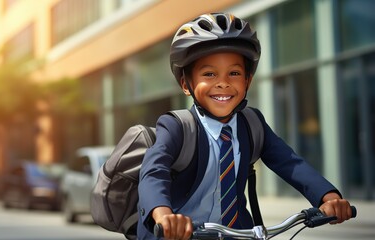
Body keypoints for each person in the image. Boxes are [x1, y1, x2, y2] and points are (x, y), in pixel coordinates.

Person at [137, 13, 352, 240]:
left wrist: (328, 197)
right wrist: (163, 216)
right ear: (185, 84)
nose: (223, 82)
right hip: (178, 234)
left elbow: (289, 162)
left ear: (247, 81)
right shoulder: (177, 127)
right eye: (209, 74)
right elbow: (153, 172)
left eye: (234, 73)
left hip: (236, 233)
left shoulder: (252, 124)